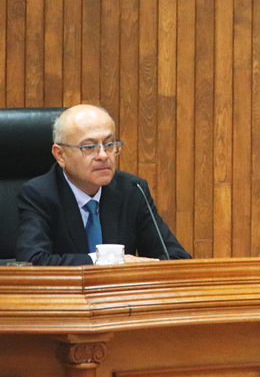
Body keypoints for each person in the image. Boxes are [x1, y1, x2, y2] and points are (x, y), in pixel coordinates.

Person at [16, 105, 191, 266]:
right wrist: (109, 260)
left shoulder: (132, 190)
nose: (103, 155)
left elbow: (177, 258)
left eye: (109, 144)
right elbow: (31, 262)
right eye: (89, 147)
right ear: (60, 155)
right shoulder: (39, 195)